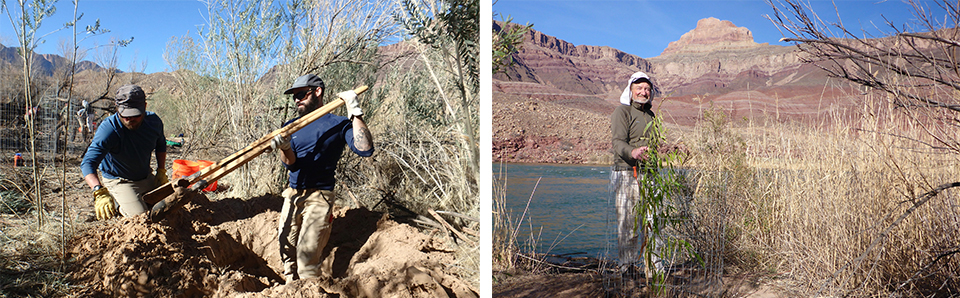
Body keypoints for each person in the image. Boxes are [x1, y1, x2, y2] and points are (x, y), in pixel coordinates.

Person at [271, 74, 374, 283]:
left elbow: (365, 149)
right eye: (294, 97)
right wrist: (284, 147)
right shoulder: (292, 125)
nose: (297, 100)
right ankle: (291, 290)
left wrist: (355, 111)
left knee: (306, 259)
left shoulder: (339, 124)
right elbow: (291, 163)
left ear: (317, 92)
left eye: (301, 94)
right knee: (286, 252)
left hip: (320, 197)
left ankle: (309, 290)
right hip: (292, 195)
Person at [81, 85, 169, 220]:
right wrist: (98, 191)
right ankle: (118, 202)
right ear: (117, 108)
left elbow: (161, 145)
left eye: (135, 115)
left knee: (169, 206)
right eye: (125, 115)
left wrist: (161, 171)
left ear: (144, 107)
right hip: (119, 180)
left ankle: (134, 198)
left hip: (145, 176)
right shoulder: (109, 129)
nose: (129, 119)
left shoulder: (154, 122)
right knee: (142, 218)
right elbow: (88, 163)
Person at [610, 71, 664, 274]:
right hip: (627, 173)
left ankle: (654, 269)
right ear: (631, 90)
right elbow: (617, 142)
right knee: (629, 222)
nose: (644, 92)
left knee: (654, 221)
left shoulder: (651, 115)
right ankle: (628, 267)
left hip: (650, 174)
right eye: (639, 88)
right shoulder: (621, 112)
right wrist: (633, 152)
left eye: (647, 89)